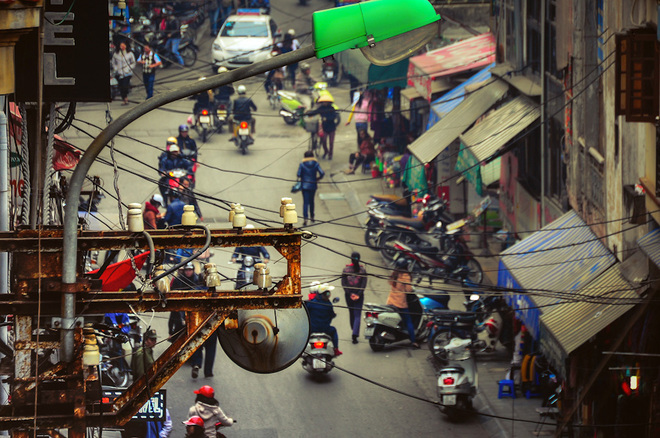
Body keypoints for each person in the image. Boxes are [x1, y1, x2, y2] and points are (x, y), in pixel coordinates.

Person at [387, 259, 419, 348]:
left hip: (391, 301)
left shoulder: (394, 274)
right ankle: (413, 341)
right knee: (409, 321)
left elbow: (390, 283)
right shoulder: (405, 275)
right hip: (400, 303)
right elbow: (409, 290)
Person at [304, 283, 342, 356]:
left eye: (328, 293)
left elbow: (306, 312)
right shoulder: (328, 305)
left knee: (302, 332)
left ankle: (300, 350)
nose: (328, 295)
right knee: (334, 330)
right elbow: (331, 315)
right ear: (322, 294)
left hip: (312, 329)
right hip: (325, 329)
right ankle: (336, 349)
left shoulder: (311, 303)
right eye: (327, 293)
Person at [341, 252, 367, 344]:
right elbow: (363, 284)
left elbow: (343, 283)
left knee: (351, 313)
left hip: (348, 296)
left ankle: (354, 329)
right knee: (357, 315)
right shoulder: (363, 270)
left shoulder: (345, 270)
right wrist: (358, 294)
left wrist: (349, 294)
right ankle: (354, 334)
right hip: (359, 295)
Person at [296, 150, 324, 226]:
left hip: (304, 186)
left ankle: (305, 218)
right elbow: (322, 173)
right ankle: (312, 216)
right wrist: (317, 178)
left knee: (305, 202)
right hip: (313, 185)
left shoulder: (302, 164)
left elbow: (298, 174)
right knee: (312, 201)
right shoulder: (316, 164)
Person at [305, 94, 338, 160]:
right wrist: (307, 113)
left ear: (329, 102)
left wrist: (326, 118)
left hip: (332, 128)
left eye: (326, 102)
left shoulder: (332, 108)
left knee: (331, 143)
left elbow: (334, 117)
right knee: (324, 141)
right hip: (324, 128)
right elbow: (315, 112)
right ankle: (326, 151)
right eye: (324, 102)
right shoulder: (321, 108)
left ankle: (330, 154)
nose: (325, 103)